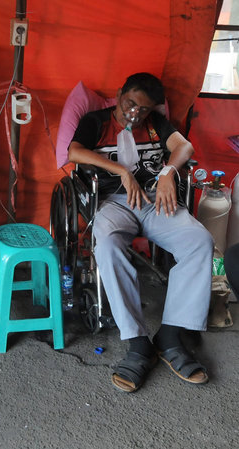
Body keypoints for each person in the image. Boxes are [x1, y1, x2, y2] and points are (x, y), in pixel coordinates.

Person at [68, 72, 213, 393]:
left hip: (153, 201)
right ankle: (136, 343)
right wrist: (121, 171)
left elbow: (183, 146)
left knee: (199, 241)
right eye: (130, 103)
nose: (134, 112)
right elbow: (74, 153)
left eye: (143, 109)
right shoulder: (97, 121)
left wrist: (167, 171)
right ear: (119, 94)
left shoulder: (156, 123)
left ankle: (170, 336)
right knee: (106, 244)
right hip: (112, 203)